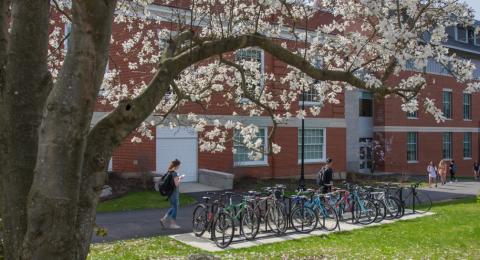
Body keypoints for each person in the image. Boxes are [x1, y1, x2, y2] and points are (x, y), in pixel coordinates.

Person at [160, 159, 183, 229]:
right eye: (179, 165)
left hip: (169, 193)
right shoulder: (174, 173)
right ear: (177, 165)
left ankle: (163, 219)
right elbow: (176, 184)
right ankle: (173, 224)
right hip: (174, 193)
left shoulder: (169, 172)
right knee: (175, 207)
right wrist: (180, 178)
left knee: (173, 207)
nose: (179, 167)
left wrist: (178, 178)